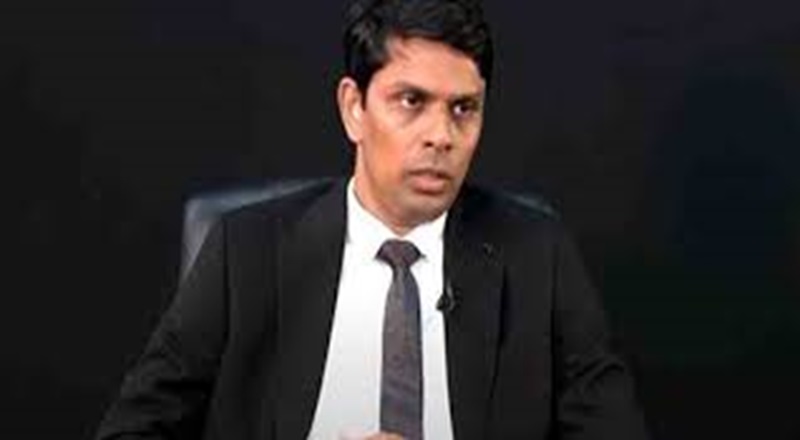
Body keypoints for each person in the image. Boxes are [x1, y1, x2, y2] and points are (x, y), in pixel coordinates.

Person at [96, 0, 649, 439]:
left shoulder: (535, 253)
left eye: (463, 108)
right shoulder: (246, 252)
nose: (442, 136)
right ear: (353, 108)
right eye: (411, 101)